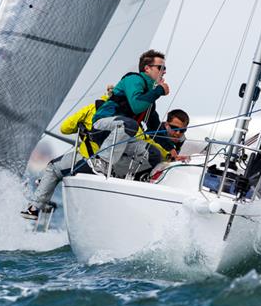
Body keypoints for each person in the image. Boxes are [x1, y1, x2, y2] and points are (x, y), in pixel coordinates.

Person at [20, 86, 114, 220]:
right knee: (63, 168)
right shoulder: (127, 118)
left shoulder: (93, 108)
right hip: (114, 165)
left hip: (88, 160)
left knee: (53, 167)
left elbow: (65, 128)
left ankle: (34, 207)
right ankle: (44, 190)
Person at [90, 49, 170, 178]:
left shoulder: (149, 96)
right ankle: (100, 162)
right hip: (102, 127)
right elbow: (136, 106)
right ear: (147, 68)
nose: (164, 71)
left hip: (123, 135)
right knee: (129, 124)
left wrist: (172, 150)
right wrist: (159, 90)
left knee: (154, 154)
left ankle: (119, 174)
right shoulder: (133, 79)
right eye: (161, 67)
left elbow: (154, 126)